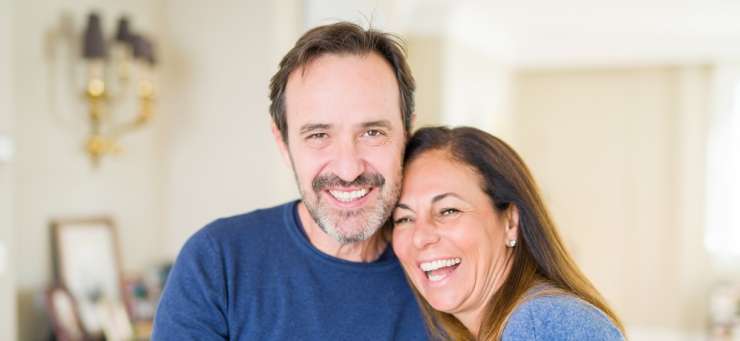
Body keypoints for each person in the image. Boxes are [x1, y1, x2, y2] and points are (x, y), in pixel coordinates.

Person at [152, 22, 427, 340]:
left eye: (372, 132)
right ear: (283, 143)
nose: (349, 169)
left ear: (405, 136)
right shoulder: (218, 262)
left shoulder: (440, 273)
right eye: (319, 135)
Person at [391, 126, 625, 340]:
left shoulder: (542, 323)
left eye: (448, 210)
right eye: (404, 219)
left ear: (511, 221)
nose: (420, 237)